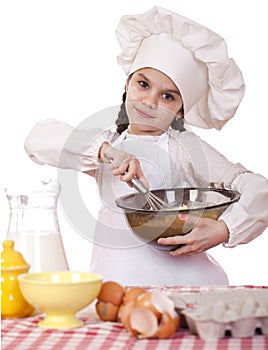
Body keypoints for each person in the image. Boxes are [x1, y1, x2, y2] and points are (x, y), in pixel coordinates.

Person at [24, 6, 268, 286]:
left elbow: (257, 187)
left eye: (167, 96)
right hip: (117, 282)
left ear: (180, 111)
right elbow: (38, 139)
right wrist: (107, 153)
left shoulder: (185, 149)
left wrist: (225, 229)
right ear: (127, 84)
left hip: (188, 286)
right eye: (143, 84)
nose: (150, 102)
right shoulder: (105, 145)